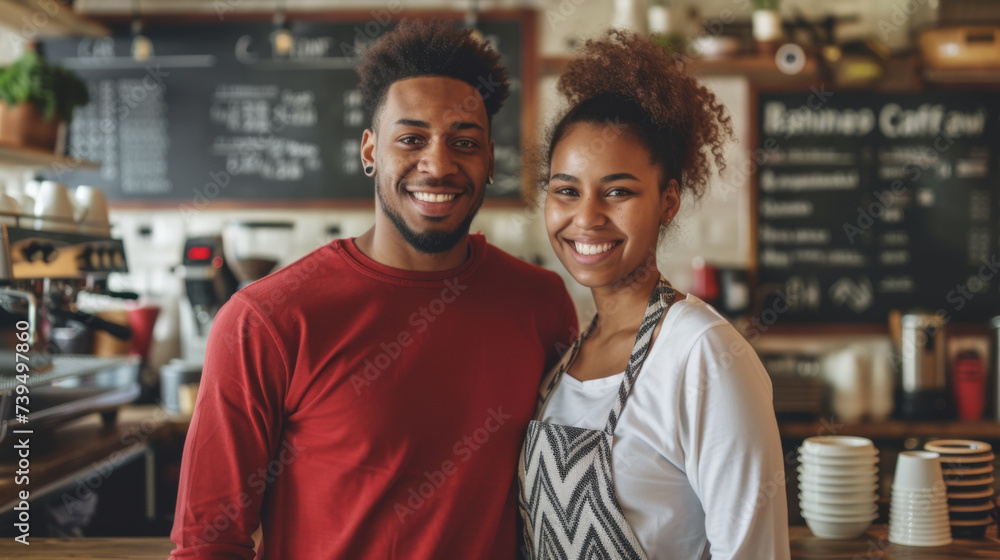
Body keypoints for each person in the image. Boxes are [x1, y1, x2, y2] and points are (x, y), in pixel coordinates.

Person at [169, 20, 578, 559]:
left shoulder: (540, 304)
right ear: (369, 152)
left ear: (490, 160)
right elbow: (208, 543)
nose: (438, 164)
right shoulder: (265, 320)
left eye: (464, 142)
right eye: (411, 139)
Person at [517, 30, 790, 559]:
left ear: (668, 201)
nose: (587, 218)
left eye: (618, 191)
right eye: (566, 190)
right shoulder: (570, 351)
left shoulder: (702, 354)